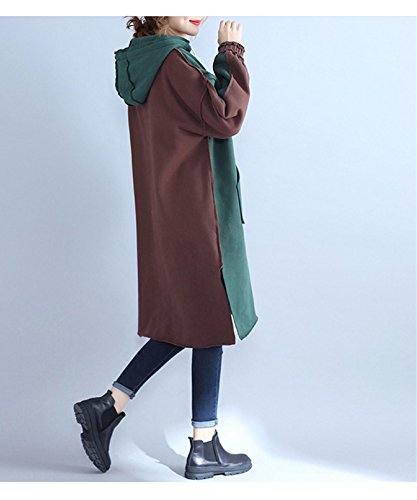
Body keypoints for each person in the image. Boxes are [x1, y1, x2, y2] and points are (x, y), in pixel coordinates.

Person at [74, 16, 258, 480]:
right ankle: (203, 446)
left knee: (190, 320)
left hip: (167, 212)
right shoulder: (174, 61)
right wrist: (231, 55)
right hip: (195, 212)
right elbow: (224, 116)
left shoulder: (147, 61)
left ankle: (110, 406)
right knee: (208, 322)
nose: (197, 12)